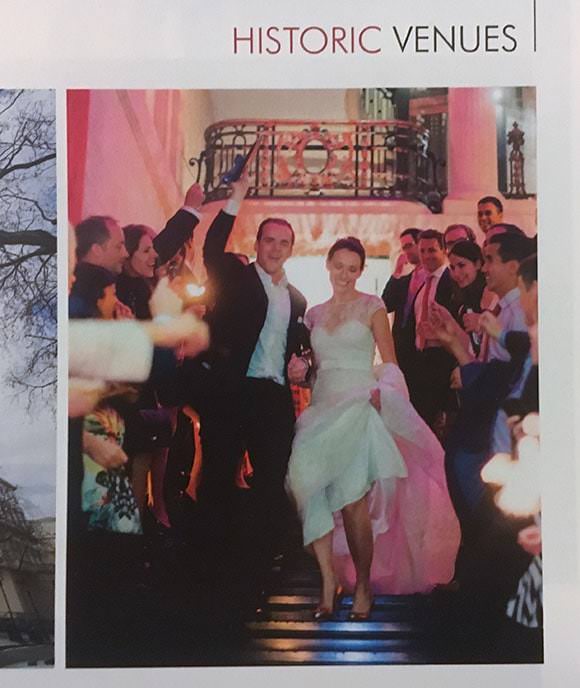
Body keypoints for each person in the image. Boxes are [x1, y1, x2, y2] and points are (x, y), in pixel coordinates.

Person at [286, 237, 460, 621]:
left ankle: (363, 584)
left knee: (351, 502)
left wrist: (386, 395)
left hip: (358, 405)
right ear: (328, 266)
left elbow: (392, 362)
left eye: (353, 268)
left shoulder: (373, 306)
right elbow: (313, 368)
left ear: (361, 271)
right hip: (321, 409)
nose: (344, 275)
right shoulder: (313, 314)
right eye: (339, 266)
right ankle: (328, 582)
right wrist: (301, 373)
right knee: (308, 492)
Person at [197, 173, 308, 610]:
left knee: (270, 480)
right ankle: (209, 562)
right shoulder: (234, 275)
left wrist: (304, 363)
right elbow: (210, 248)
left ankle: (260, 563)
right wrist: (235, 199)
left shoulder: (297, 299)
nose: (275, 248)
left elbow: (296, 346)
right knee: (219, 477)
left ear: (291, 249)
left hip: (274, 397)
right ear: (258, 244)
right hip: (230, 391)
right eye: (269, 240)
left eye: (283, 242)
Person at [381, 227, 425, 380]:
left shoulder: (436, 279)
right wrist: (397, 271)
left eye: (409, 246)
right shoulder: (405, 280)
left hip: (423, 349)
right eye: (404, 248)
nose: (407, 251)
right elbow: (386, 304)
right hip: (401, 347)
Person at [448, 240, 495, 357]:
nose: (456, 273)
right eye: (453, 268)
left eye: (461, 265)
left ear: (478, 264)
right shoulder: (461, 304)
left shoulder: (493, 295)